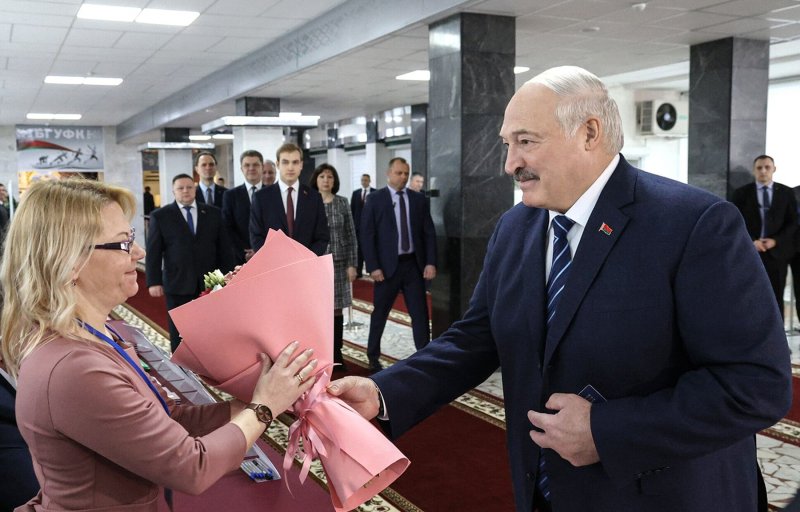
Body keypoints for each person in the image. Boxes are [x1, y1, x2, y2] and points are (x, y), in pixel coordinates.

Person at [329, 66, 792, 512]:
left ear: (589, 133)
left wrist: (607, 431)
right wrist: (383, 392)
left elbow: (755, 384)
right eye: (507, 144)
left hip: (661, 494)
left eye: (526, 142)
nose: (510, 163)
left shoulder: (694, 225)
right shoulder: (516, 227)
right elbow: (477, 337)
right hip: (543, 488)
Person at [0, 178, 319, 511]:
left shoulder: (101, 334)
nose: (139, 254)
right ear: (69, 262)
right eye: (124, 244)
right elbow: (191, 468)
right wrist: (263, 408)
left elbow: (168, 418)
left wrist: (260, 400)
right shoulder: (73, 367)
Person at [360, 158, 436, 371]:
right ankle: (373, 355)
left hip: (413, 265)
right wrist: (373, 266)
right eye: (398, 173)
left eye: (406, 173)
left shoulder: (418, 200)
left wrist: (430, 262)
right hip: (386, 268)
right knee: (380, 312)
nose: (403, 177)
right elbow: (367, 235)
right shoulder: (375, 199)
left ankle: (424, 355)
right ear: (388, 173)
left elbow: (428, 232)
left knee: (420, 313)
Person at [146, 174, 236, 351]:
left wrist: (228, 277)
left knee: (210, 328)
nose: (185, 191)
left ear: (195, 189)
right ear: (173, 191)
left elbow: (224, 249)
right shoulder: (160, 216)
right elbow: (154, 252)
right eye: (180, 188)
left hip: (211, 282)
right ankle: (183, 369)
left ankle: (210, 366)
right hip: (177, 283)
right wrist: (153, 281)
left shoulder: (213, 213)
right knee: (180, 330)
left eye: (189, 187)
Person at [732, 155, 797, 318]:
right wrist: (752, 240)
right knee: (749, 293)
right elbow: (736, 220)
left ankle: (777, 335)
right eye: (759, 167)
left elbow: (793, 222)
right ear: (754, 171)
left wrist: (776, 241)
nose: (763, 171)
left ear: (774, 169)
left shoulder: (786, 193)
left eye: (767, 167)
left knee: (776, 295)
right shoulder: (741, 193)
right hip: (751, 251)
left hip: (777, 253)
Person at [310, 163, 358, 372]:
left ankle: (337, 353)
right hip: (316, 264)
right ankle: (320, 353)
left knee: (336, 310)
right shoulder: (309, 202)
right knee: (318, 311)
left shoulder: (342, 203)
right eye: (322, 177)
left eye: (330, 177)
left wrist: (352, 264)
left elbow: (351, 234)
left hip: (338, 264)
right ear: (316, 180)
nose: (326, 180)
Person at [249, 143, 329, 255]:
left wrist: (305, 259)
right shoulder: (261, 198)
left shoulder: (314, 197)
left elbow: (322, 237)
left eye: (295, 162)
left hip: (306, 265)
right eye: (285, 162)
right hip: (274, 265)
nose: (290, 167)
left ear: (301, 165)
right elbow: (256, 236)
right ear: (277, 164)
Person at [223, 150, 264, 264]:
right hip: (240, 258)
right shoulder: (230, 196)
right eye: (247, 165)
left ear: (262, 167)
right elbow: (228, 228)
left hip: (268, 256)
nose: (251, 168)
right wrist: (243, 252)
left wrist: (260, 250)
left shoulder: (273, 194)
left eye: (255, 164)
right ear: (241, 169)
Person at [350, 173, 375, 277]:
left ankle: (371, 270)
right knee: (358, 250)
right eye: (362, 180)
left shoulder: (375, 193)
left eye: (366, 180)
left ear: (369, 181)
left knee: (370, 249)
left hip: (370, 227)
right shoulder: (356, 193)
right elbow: (352, 210)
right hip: (358, 228)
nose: (364, 182)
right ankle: (359, 272)